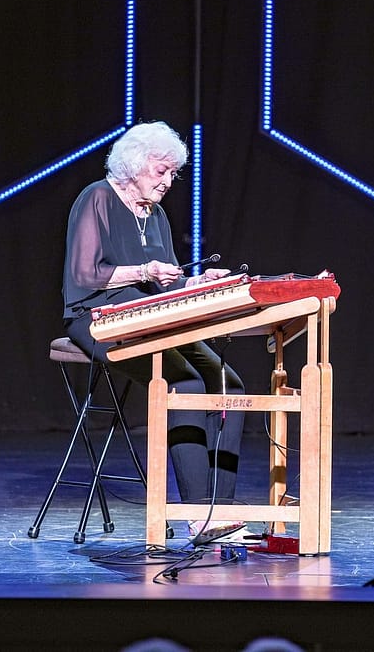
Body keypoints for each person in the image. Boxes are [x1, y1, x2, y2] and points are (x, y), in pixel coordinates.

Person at [62, 121, 246, 537]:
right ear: (133, 165)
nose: (167, 182)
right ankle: (199, 514)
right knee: (185, 382)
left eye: (171, 174)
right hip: (97, 317)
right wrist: (145, 270)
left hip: (151, 316)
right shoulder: (98, 199)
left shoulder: (156, 214)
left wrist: (196, 283)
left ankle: (224, 509)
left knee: (228, 383)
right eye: (160, 171)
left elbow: (167, 282)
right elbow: (85, 274)